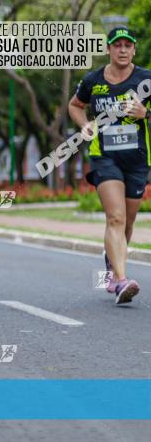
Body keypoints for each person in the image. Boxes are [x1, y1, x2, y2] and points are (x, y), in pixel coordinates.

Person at [70, 27, 146, 304]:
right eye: (117, 45)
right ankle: (120, 281)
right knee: (115, 217)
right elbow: (75, 105)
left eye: (128, 45)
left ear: (134, 50)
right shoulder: (93, 81)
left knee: (127, 222)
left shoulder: (146, 79)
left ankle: (112, 259)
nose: (123, 49)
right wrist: (85, 124)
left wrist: (145, 113)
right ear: (109, 50)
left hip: (138, 159)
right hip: (105, 157)